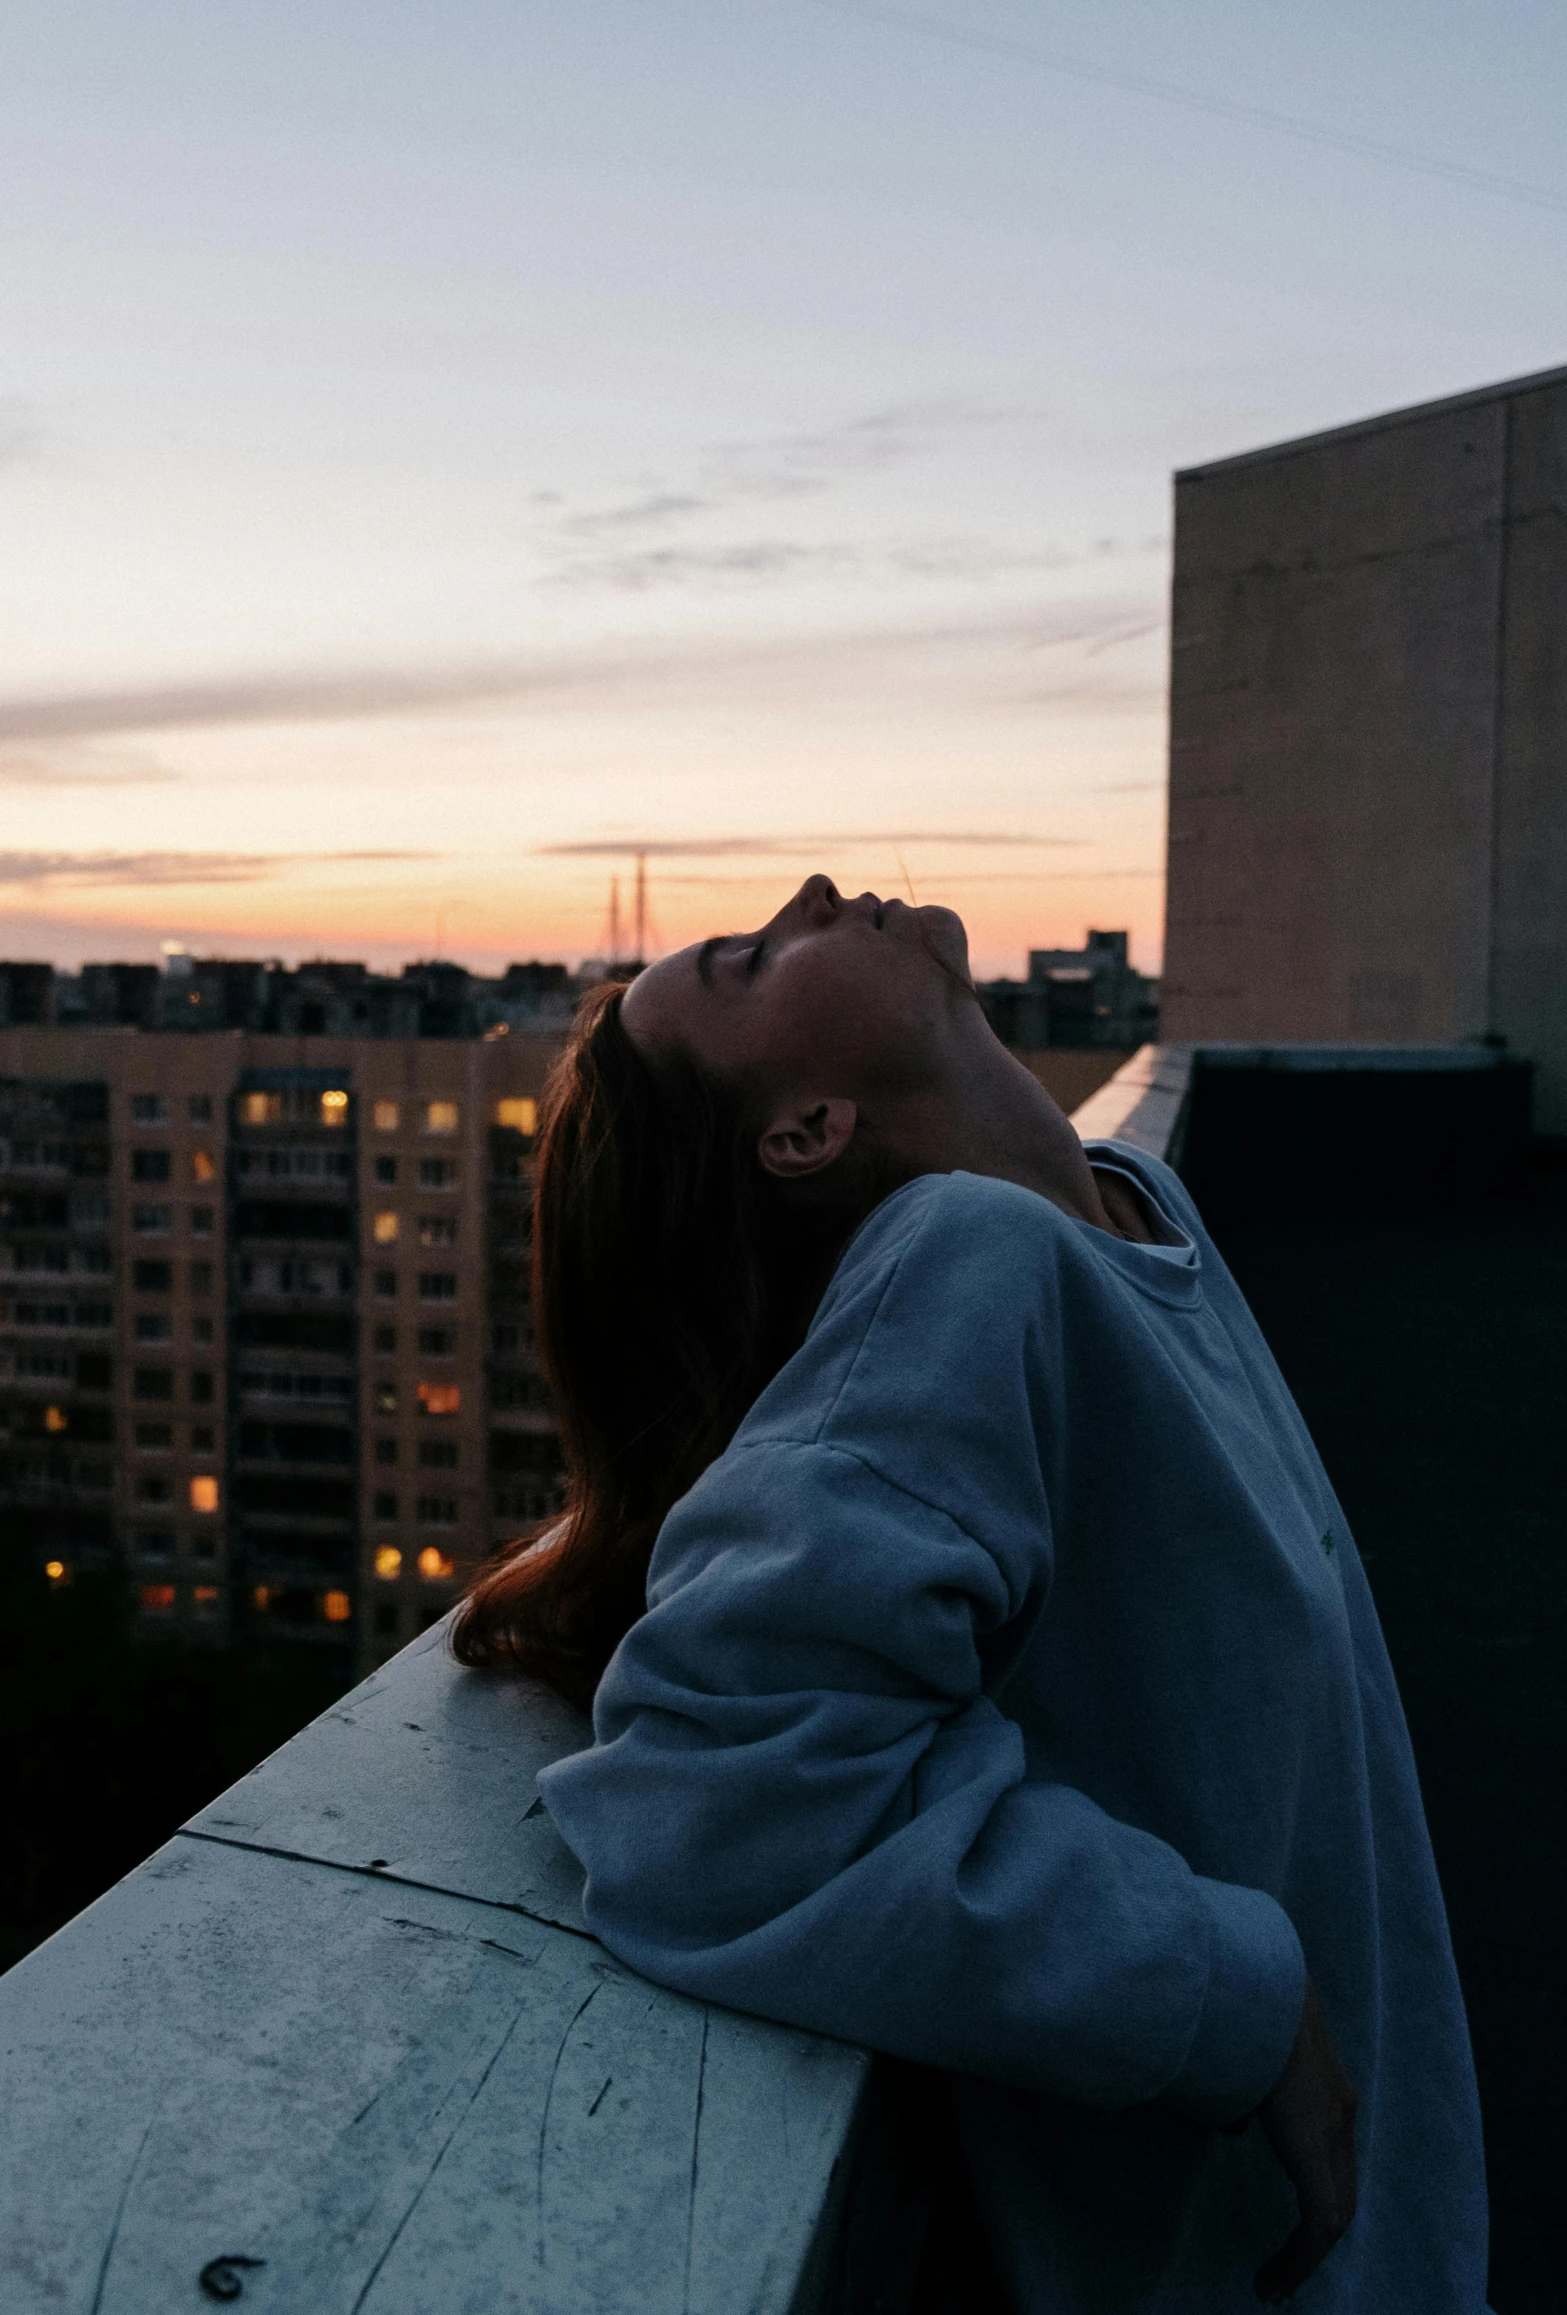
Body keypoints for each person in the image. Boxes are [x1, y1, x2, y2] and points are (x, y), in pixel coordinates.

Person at [455, 874, 1488, 2312]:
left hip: (1381, 2234)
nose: (813, 890)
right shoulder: (963, 1265)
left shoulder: (1131, 1211)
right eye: (753, 959)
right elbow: (717, 1802)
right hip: (1250, 2261)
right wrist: (1225, 1991)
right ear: (806, 1130)